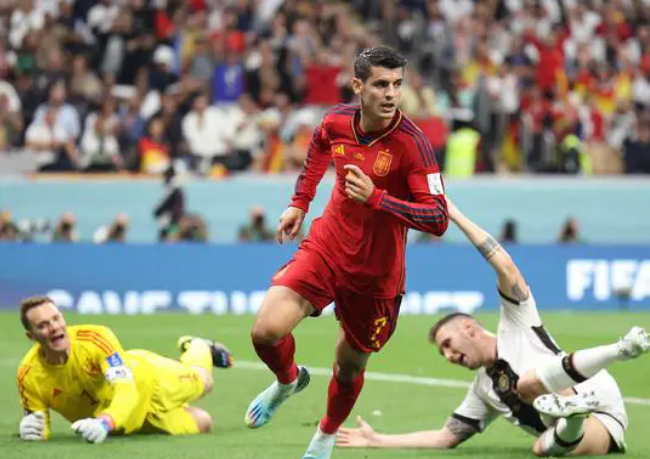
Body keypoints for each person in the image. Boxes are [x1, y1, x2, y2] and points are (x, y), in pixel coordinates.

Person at [245, 45, 449, 459]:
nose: (391, 94)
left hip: (376, 274)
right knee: (265, 331)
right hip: (328, 246)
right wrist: (300, 203)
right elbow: (319, 146)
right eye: (380, 85)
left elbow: (438, 218)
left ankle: (325, 435)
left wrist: (378, 199)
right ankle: (288, 381)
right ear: (358, 86)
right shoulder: (336, 122)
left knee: (349, 366)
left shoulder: (413, 144)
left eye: (397, 85)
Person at [337, 197, 649, 456]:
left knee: (526, 386)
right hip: (582, 429)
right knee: (541, 448)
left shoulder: (517, 322)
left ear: (469, 328)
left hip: (598, 397)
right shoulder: (484, 389)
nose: (449, 356)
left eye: (448, 344)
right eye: (444, 353)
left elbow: (505, 266)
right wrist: (377, 439)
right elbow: (446, 437)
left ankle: (619, 350)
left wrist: (455, 215)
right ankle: (572, 416)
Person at [16, 296, 233, 443]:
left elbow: (127, 390)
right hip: (128, 420)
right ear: (30, 336)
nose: (54, 327)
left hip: (150, 381)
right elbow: (39, 426)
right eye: (43, 325)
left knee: (204, 382)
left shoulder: (95, 338)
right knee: (204, 422)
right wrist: (30, 430)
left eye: (56, 318)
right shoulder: (29, 376)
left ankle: (196, 345)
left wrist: (105, 422)